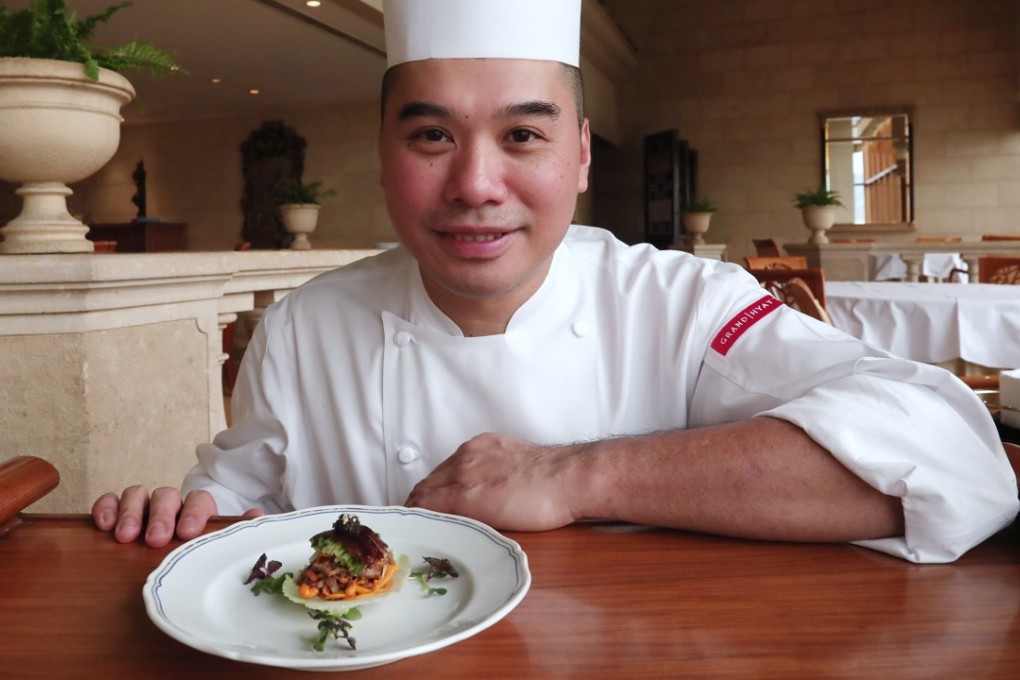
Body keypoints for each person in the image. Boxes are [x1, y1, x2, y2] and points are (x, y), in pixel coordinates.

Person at [93, 0, 1017, 563]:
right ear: (384, 159)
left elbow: (954, 460)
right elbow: (239, 511)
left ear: (579, 155)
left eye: (523, 135)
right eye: (431, 136)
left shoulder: (683, 303)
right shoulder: (303, 327)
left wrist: (577, 473)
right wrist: (183, 514)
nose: (476, 185)